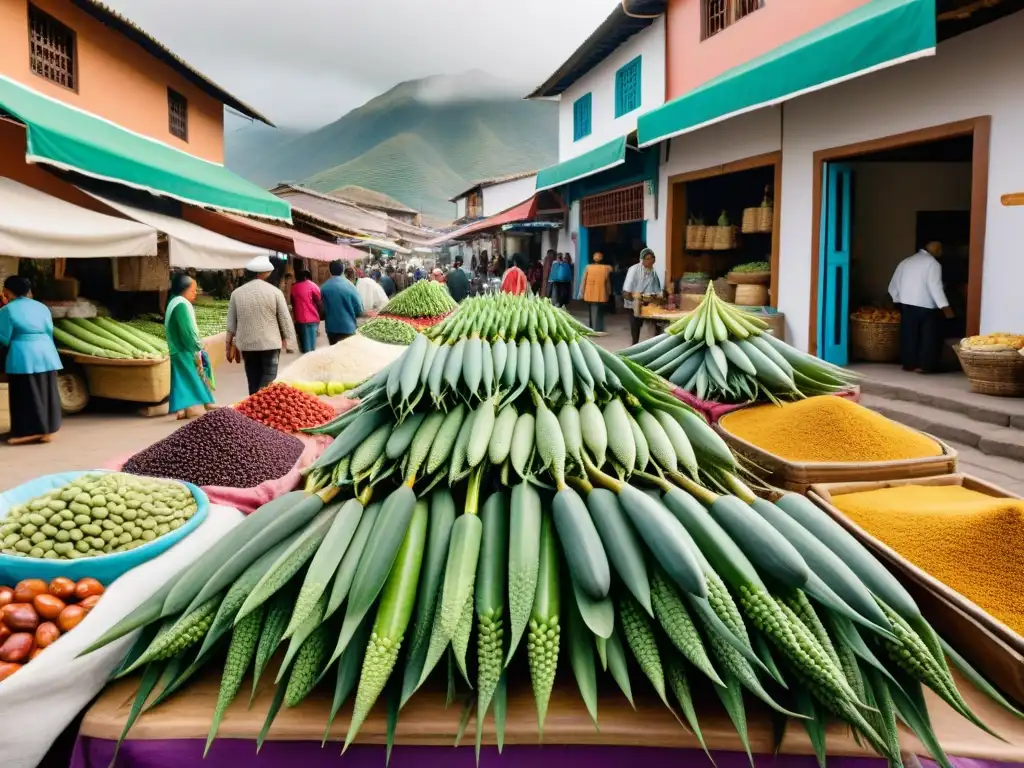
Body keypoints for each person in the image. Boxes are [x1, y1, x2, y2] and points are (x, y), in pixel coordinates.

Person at [0, 276, 62, 444]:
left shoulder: (7, 310)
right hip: (46, 351)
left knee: (26, 392)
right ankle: (47, 429)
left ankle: (29, 431)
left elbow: (4, 337)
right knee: (46, 390)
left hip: (23, 354)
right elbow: (49, 330)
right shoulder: (42, 307)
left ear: (8, 291)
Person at [226, 255, 297, 395]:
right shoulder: (275, 292)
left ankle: (253, 406)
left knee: (253, 379)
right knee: (268, 381)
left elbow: (231, 324)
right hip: (270, 344)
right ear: (264, 273)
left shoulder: (236, 293)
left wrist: (227, 346)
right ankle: (262, 406)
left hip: (247, 344)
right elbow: (285, 319)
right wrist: (289, 342)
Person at [888, 241, 954, 373]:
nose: (942, 252)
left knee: (909, 334)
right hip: (926, 306)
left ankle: (909, 364)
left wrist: (896, 299)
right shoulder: (933, 264)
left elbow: (893, 284)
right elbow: (935, 287)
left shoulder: (906, 262)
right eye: (940, 249)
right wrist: (945, 308)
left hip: (906, 304)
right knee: (928, 337)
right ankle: (925, 365)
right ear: (935, 250)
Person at [165, 273, 215, 420]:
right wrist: (197, 345)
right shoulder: (181, 304)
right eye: (193, 290)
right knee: (193, 376)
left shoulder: (173, 301)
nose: (195, 293)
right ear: (184, 289)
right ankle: (207, 403)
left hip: (176, 348)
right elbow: (187, 330)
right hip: (183, 348)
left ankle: (185, 409)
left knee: (181, 379)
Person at [622, 248, 663, 345]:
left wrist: (657, 297)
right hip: (633, 301)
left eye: (652, 258)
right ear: (642, 260)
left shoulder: (653, 272)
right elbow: (626, 291)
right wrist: (635, 299)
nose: (650, 261)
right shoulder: (633, 269)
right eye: (647, 259)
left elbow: (657, 289)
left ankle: (652, 344)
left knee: (655, 323)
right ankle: (634, 344)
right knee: (635, 324)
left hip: (647, 302)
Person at [321, 261, 364, 345]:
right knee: (347, 354)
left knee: (335, 354)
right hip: (348, 327)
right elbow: (359, 308)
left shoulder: (323, 288)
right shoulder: (350, 286)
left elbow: (321, 309)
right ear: (342, 270)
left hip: (331, 328)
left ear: (329, 270)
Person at [290, 270, 323, 354]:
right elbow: (319, 301)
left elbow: (293, 303)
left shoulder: (294, 288)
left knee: (304, 345)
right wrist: (322, 315)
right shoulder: (313, 285)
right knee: (312, 345)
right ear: (307, 277)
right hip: (313, 318)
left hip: (300, 319)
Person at [579, 251, 613, 332]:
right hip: (601, 293)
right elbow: (607, 281)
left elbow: (583, 280)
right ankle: (598, 327)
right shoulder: (606, 268)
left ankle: (593, 327)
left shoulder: (588, 267)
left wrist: (581, 292)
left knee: (592, 310)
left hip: (589, 293)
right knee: (600, 311)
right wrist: (609, 292)